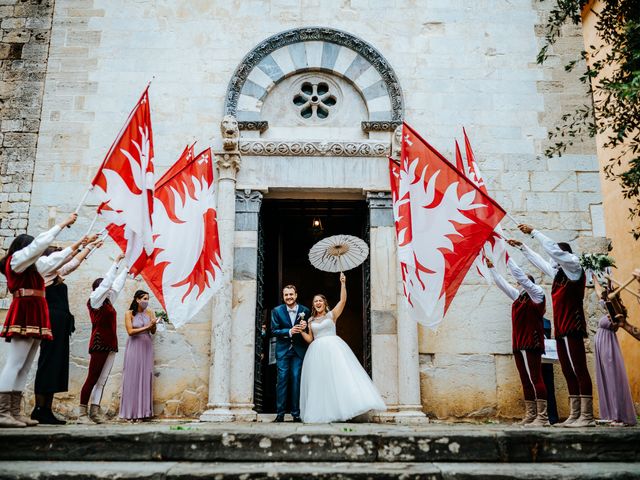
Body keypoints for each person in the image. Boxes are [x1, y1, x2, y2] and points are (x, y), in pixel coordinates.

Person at [510, 224, 594, 428]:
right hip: (562, 329)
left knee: (579, 368)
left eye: (557, 259)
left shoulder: (574, 269)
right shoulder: (559, 275)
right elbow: (541, 263)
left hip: (573, 325)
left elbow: (553, 252)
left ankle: (587, 416)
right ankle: (575, 414)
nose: (553, 264)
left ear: (564, 256)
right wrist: (523, 248)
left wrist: (534, 233)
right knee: (567, 369)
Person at [0, 212, 78, 428]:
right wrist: (62, 224)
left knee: (24, 366)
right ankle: (2, 411)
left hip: (35, 314)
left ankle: (14, 412)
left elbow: (58, 260)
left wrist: (81, 244)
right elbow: (38, 248)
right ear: (23, 248)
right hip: (23, 313)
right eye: (31, 248)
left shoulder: (33, 269)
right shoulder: (16, 262)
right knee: (14, 363)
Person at [31, 235, 102, 425]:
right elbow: (69, 259)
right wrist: (82, 244)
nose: (61, 255)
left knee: (56, 364)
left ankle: (46, 408)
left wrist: (91, 247)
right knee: (48, 363)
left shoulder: (55, 273)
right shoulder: (44, 272)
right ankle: (39, 408)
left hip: (60, 325)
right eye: (57, 252)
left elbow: (74, 263)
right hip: (50, 322)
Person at [299, 273, 386, 423]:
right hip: (316, 352)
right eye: (315, 302)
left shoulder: (332, 315)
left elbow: (343, 300)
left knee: (339, 377)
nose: (317, 303)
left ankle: (344, 409)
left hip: (334, 349)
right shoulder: (310, 320)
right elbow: (310, 339)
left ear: (324, 303)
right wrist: (301, 331)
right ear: (313, 305)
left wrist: (343, 283)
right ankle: (325, 412)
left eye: (320, 300)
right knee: (321, 381)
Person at [487, 258, 548, 427]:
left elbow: (522, 278)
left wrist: (506, 258)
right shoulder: (518, 297)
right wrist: (492, 268)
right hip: (519, 343)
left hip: (531, 342)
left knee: (536, 378)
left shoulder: (537, 295)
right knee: (526, 380)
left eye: (521, 283)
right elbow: (502, 284)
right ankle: (531, 415)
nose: (518, 284)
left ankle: (542, 417)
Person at [77, 253, 128, 424]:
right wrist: (116, 262)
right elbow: (108, 283)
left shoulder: (108, 301)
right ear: (99, 289)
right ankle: (81, 413)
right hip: (99, 343)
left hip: (110, 343)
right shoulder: (95, 300)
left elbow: (117, 286)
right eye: (106, 288)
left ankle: (95, 411)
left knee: (102, 379)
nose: (109, 289)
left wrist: (128, 268)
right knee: (93, 377)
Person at [270, 284, 311, 422]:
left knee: (296, 380)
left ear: (296, 295)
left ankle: (296, 413)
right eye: (286, 295)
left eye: (291, 294)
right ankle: (280, 414)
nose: (289, 297)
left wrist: (305, 328)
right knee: (281, 381)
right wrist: (288, 331)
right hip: (283, 351)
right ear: (283, 296)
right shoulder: (276, 311)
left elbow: (310, 330)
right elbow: (273, 330)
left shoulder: (305, 310)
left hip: (298, 351)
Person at [119, 289, 157, 421]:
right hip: (134, 346)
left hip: (146, 346)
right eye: (144, 298)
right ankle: (130, 412)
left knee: (145, 377)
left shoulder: (150, 312)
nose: (146, 301)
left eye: (147, 299)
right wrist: (146, 328)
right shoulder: (129, 313)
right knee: (132, 377)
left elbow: (153, 331)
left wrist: (153, 325)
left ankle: (143, 412)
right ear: (137, 299)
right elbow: (130, 331)